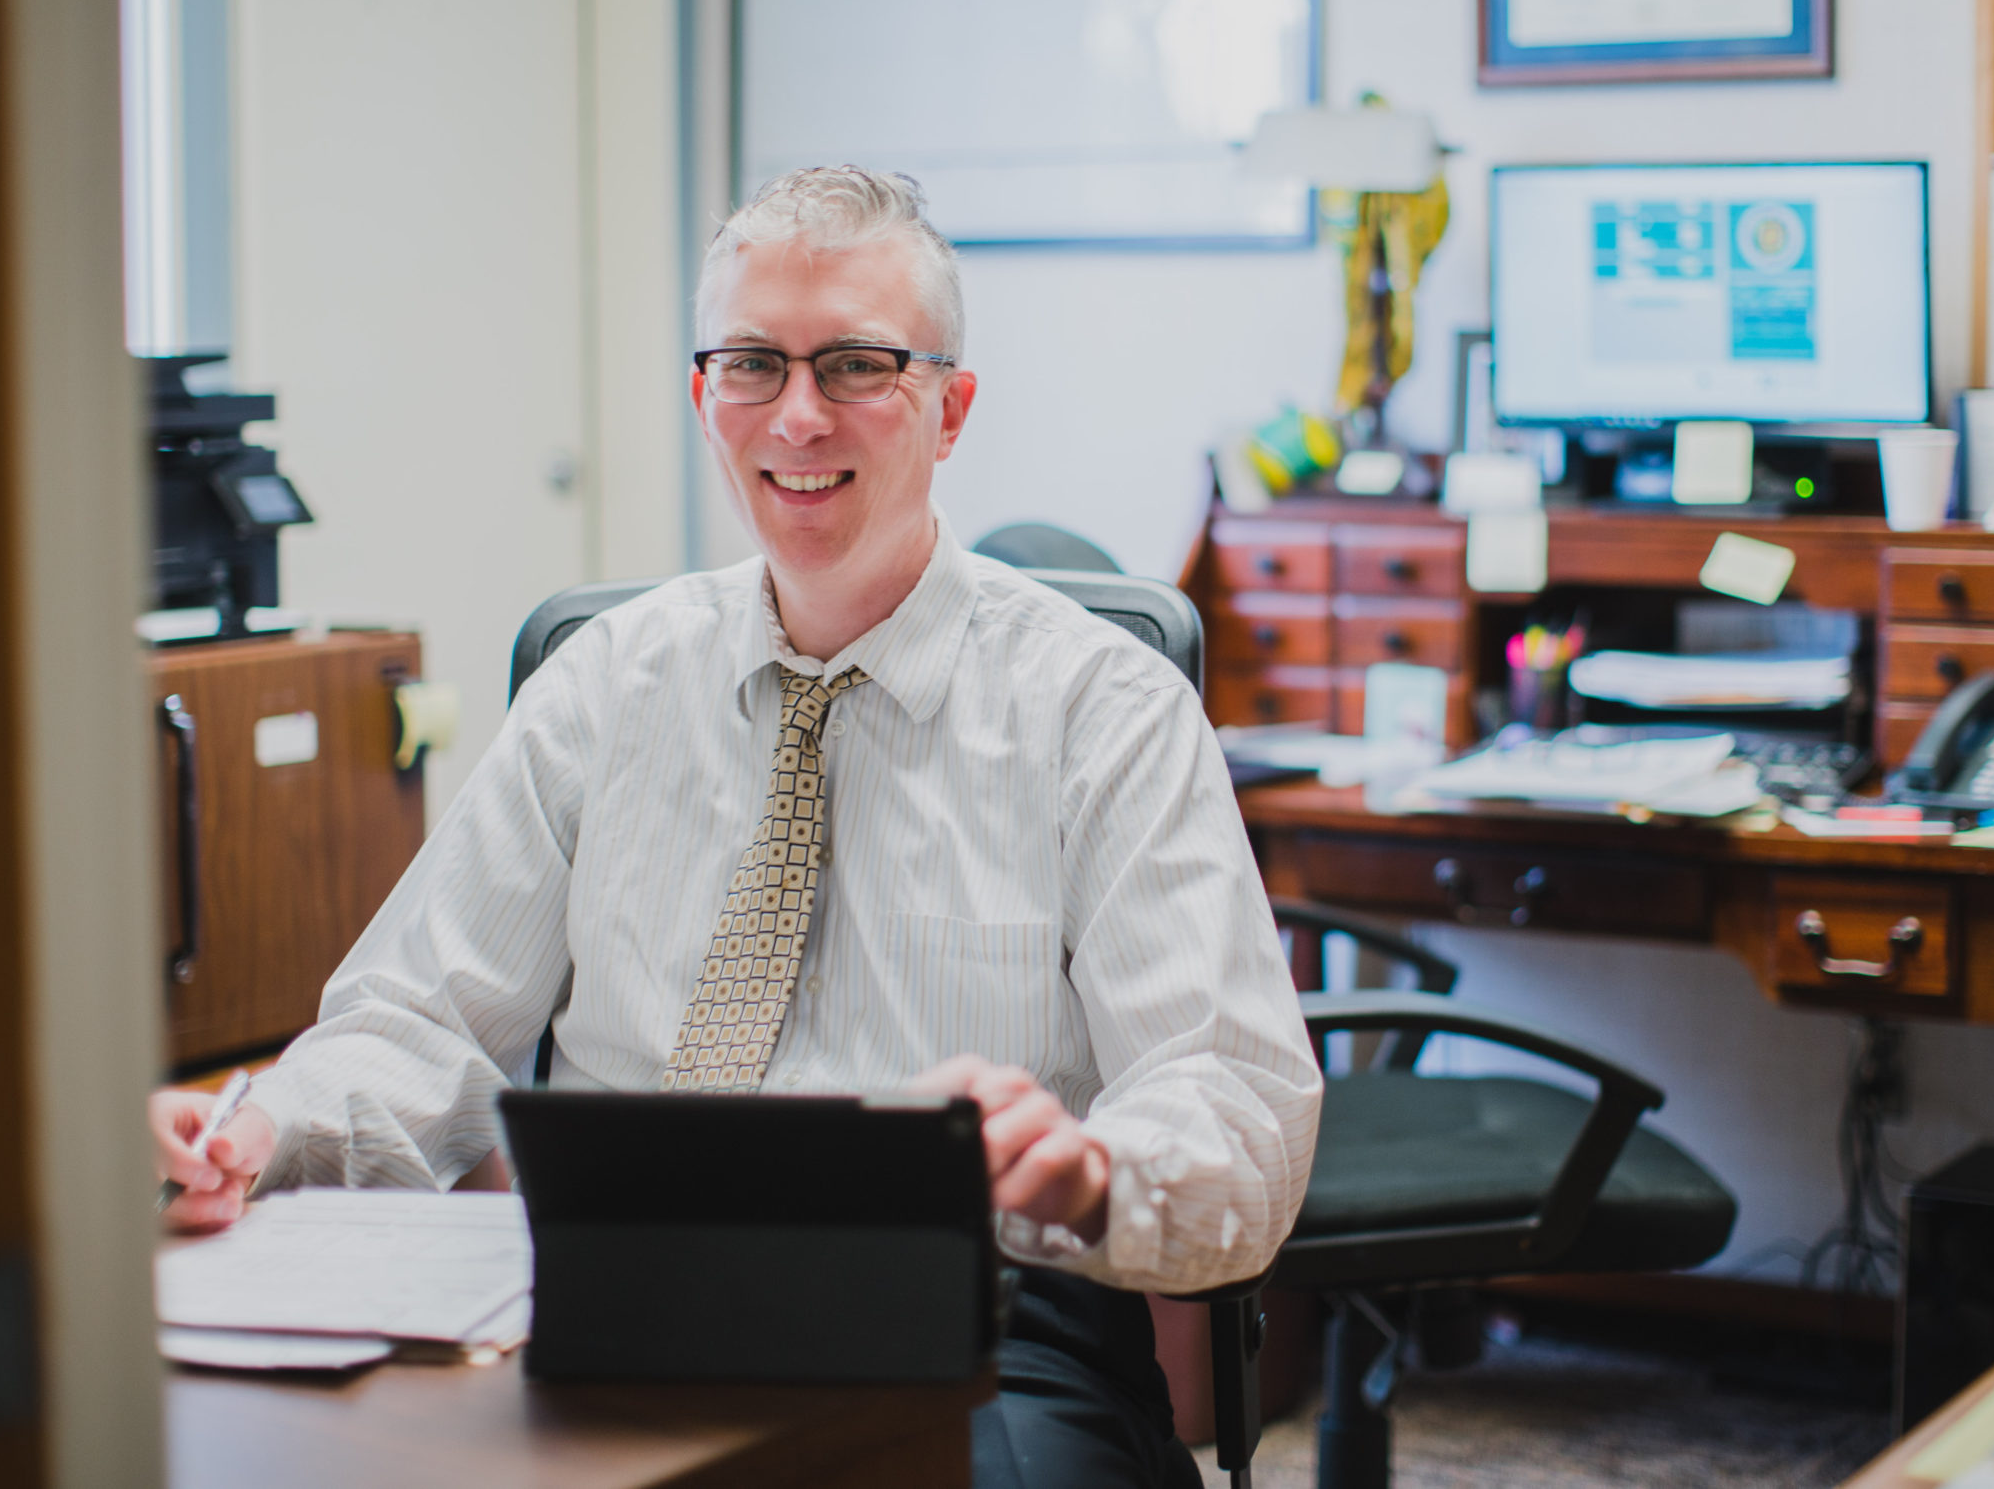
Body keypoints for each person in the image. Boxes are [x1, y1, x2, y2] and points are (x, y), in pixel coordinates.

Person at [150, 165, 1321, 1488]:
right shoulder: (605, 683)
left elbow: (1235, 1106)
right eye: (755, 363)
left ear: (950, 409)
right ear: (706, 397)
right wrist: (253, 1131)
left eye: (859, 365)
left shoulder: (1104, 711)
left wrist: (1086, 1169)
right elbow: (419, 1023)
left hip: (984, 1319)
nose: (800, 415)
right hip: (611, 1300)